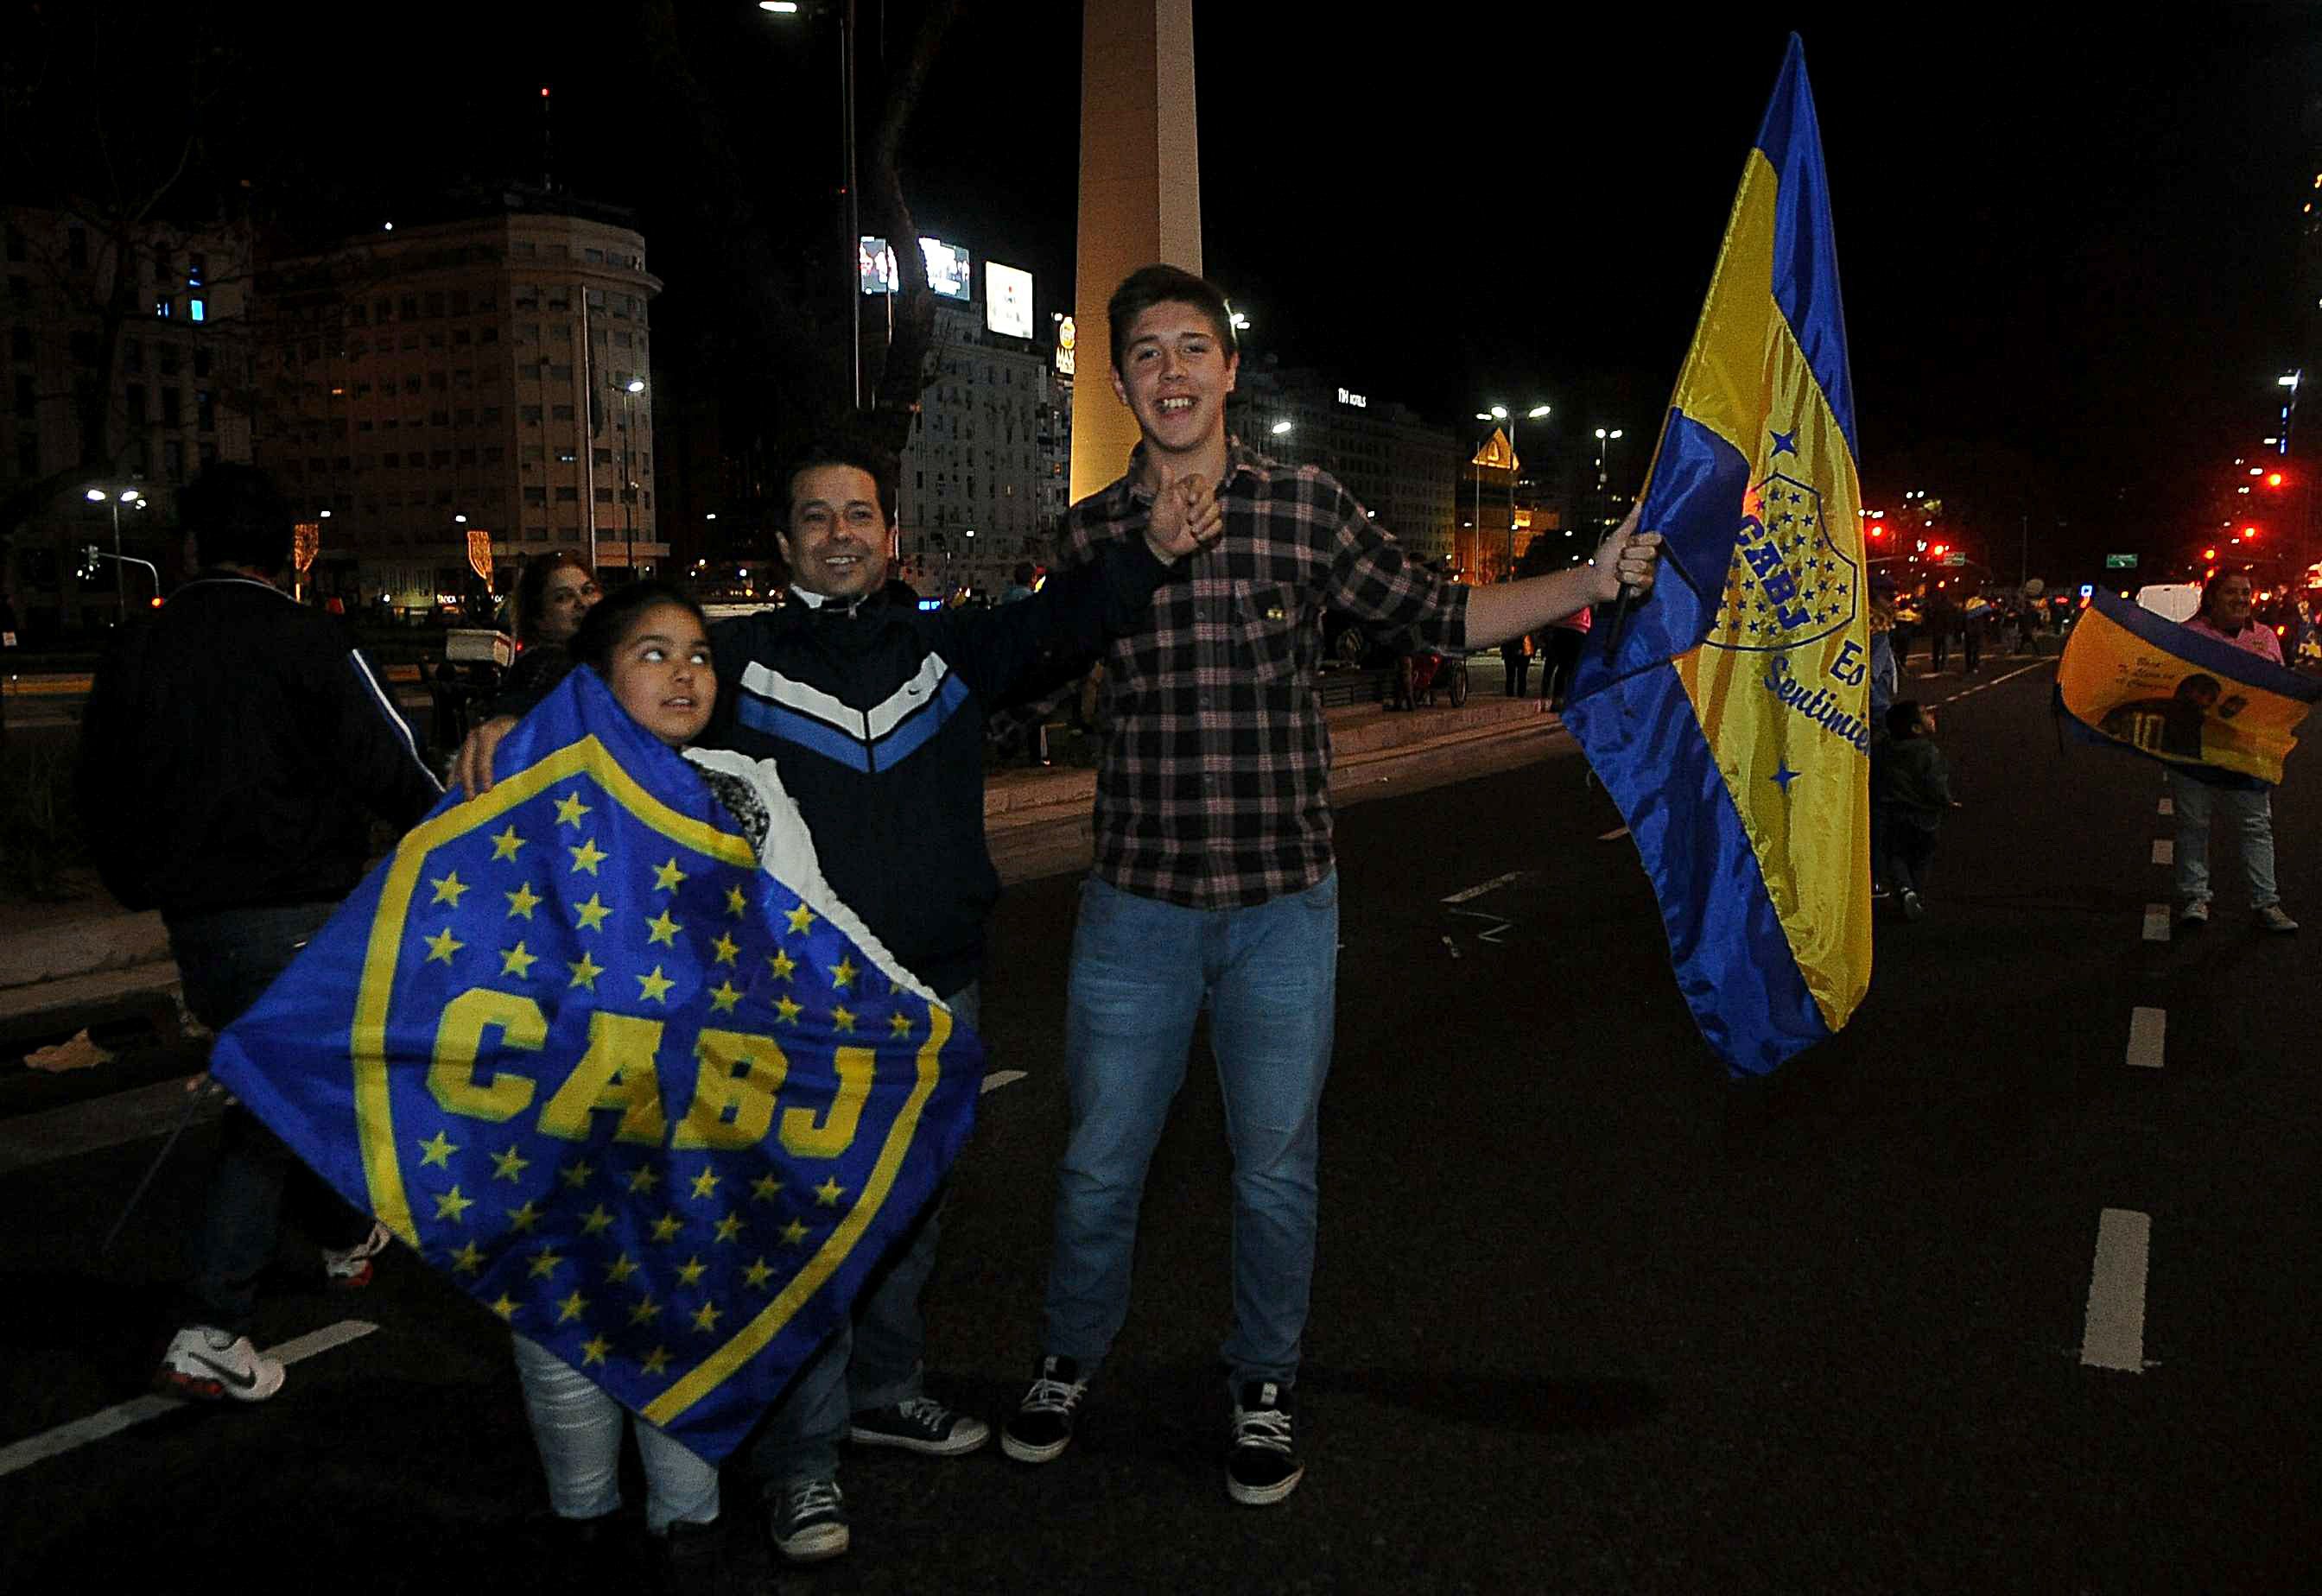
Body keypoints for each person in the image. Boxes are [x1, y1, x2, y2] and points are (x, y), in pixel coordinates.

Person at [454, 428, 1221, 1565]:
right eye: (816, 518)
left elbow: (1063, 617)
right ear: (787, 544)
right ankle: (803, 1466)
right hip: (795, 1013)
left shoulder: (950, 649)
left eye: (858, 515)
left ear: (891, 534)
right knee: (804, 1236)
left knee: (910, 1214)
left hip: (933, 994)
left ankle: (887, 1390)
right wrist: (522, 722)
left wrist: (1152, 551)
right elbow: (627, 676)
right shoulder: (738, 663)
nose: (840, 535)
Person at [999, 263, 1661, 1506]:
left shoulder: (1303, 508)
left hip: (1281, 907)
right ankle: (1068, 1357)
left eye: (1192, 348)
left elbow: (1439, 614)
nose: (1172, 374)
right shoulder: (1089, 531)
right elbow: (1026, 677)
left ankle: (1263, 1380)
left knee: (1276, 1164)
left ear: (1231, 369)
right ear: (1120, 376)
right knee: (1097, 1163)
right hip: (1133, 904)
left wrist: (1592, 577)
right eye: (1145, 353)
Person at [79, 463, 443, 1401]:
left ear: (190, 548)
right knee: (271, 1109)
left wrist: (140, 886)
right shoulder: (311, 643)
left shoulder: (136, 650)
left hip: (198, 925)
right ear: (288, 552)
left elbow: (100, 796)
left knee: (281, 1088)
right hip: (303, 918)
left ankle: (338, 1235)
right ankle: (210, 1322)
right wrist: (455, 842)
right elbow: (394, 768)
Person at [498, 583, 732, 1570]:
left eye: (699, 655)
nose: (684, 672)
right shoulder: (524, 790)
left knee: (685, 1316)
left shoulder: (745, 791)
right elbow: (434, 937)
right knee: (561, 1325)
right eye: (652, 653)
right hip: (562, 1117)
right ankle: (582, 1518)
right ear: (597, 679)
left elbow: (824, 940)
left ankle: (688, 1521)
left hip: (704, 1121)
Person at [2172, 571, 2297, 932]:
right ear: (2213, 597)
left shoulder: (2265, 637)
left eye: (2246, 592)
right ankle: (2195, 897)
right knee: (2193, 824)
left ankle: (2266, 902)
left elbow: (2279, 685)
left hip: (2247, 748)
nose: (2241, 599)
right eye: (2232, 592)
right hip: (2195, 747)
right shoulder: (2188, 635)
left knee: (2256, 825)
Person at [1874, 699, 1957, 921]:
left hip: (1893, 814)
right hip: (1924, 817)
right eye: (1926, 713)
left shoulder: (1883, 749)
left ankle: (1905, 889)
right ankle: (1916, 895)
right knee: (1922, 857)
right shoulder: (1928, 752)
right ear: (1916, 728)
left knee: (1896, 855)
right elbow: (1935, 782)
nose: (1932, 716)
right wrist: (1946, 801)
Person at [497, 553, 602, 710]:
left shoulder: (597, 658)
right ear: (539, 618)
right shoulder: (546, 668)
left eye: (588, 591)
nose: (582, 603)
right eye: (563, 598)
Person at [1540, 605, 1590, 711]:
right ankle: (1568, 698)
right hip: (1579, 629)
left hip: (1562, 628)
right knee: (1572, 668)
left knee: (1563, 667)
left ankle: (1558, 698)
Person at [1500, 628, 1533, 700]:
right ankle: (1516, 695)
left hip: (1520, 650)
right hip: (1517, 651)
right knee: (1517, 676)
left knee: (1515, 676)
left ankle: (1514, 695)